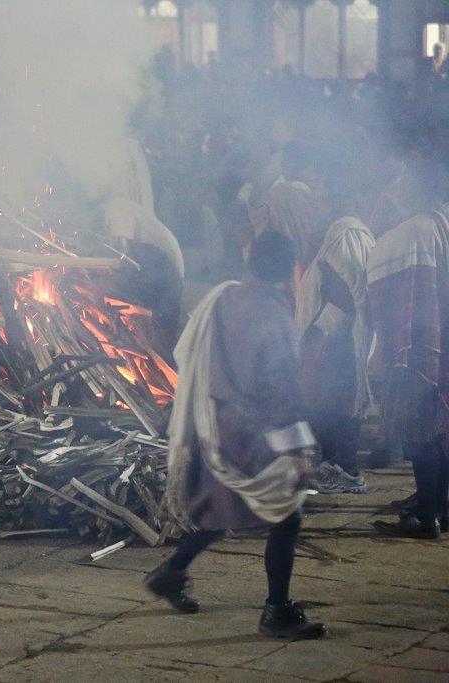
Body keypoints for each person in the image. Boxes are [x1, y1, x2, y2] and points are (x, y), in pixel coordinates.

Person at [146, 231, 326, 640]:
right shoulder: (273, 314)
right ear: (289, 271)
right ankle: (276, 609)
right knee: (286, 516)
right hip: (257, 430)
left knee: (218, 507)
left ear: (249, 259)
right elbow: (279, 386)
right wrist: (296, 441)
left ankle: (171, 573)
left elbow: (185, 352)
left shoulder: (223, 297)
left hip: (217, 424)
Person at [367, 182, 449, 538]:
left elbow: (396, 297)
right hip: (442, 339)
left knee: (422, 432)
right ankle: (437, 508)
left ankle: (427, 516)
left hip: (424, 347)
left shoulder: (417, 230)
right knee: (440, 429)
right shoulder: (441, 222)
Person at [296, 210, 375, 494]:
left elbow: (346, 300)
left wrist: (319, 336)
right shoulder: (342, 241)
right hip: (333, 341)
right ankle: (334, 465)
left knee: (336, 407)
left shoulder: (342, 241)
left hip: (333, 343)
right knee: (329, 405)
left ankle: (346, 470)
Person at [101, 197, 185, 354]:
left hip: (165, 273)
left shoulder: (116, 210)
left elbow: (122, 254)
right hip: (156, 272)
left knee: (161, 336)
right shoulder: (117, 210)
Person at [260, 142, 326, 274]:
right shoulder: (296, 190)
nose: (284, 168)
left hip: (280, 270)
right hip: (309, 269)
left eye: (286, 163)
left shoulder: (273, 193)